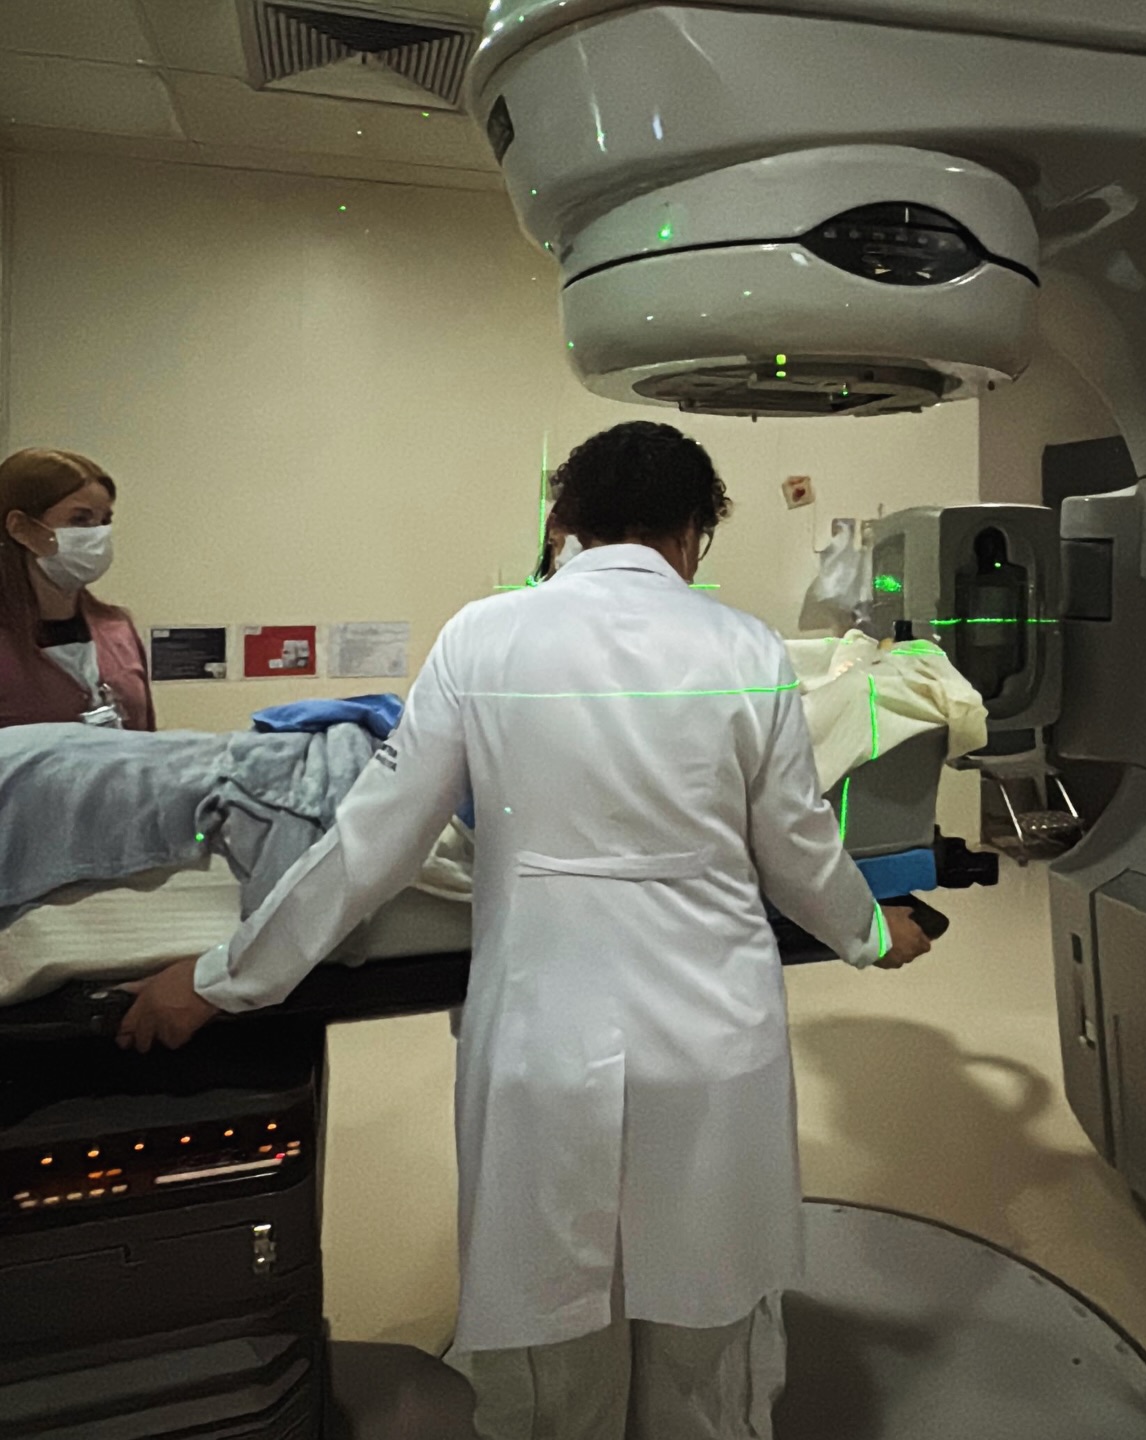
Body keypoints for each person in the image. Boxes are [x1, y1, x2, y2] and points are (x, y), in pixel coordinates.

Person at [119, 421, 932, 1440]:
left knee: (553, 1351)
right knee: (708, 1338)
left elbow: (371, 847)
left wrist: (221, 978)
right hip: (715, 1038)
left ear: (563, 525)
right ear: (693, 535)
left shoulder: (484, 636)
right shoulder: (746, 648)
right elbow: (800, 851)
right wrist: (872, 932)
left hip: (547, 1038)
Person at [0, 448, 153, 730]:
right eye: (80, 520)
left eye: (104, 521)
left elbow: (148, 742)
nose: (97, 534)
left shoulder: (116, 629)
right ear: (21, 528)